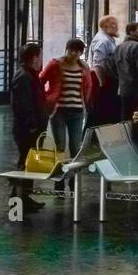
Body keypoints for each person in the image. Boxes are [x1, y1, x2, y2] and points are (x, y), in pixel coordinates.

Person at [41, 39, 92, 192]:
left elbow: (88, 86)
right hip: (59, 112)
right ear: (66, 50)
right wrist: (47, 98)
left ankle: (73, 181)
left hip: (77, 112)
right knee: (60, 147)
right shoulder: (55, 64)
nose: (74, 54)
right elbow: (40, 80)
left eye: (77, 51)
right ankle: (59, 181)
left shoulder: (84, 67)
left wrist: (87, 104)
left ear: (81, 53)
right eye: (71, 50)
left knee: (76, 147)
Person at [10, 42, 49, 213]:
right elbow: (23, 104)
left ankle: (24, 197)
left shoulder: (31, 75)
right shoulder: (24, 77)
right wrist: (32, 125)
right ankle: (17, 202)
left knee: (29, 163)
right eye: (40, 56)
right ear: (34, 58)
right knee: (24, 164)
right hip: (26, 130)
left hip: (34, 128)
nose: (42, 60)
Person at [86, 15, 120, 125]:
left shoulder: (108, 40)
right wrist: (102, 82)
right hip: (104, 81)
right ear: (105, 26)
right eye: (113, 25)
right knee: (99, 111)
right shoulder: (103, 41)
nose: (117, 27)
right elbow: (98, 63)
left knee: (103, 112)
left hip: (106, 80)